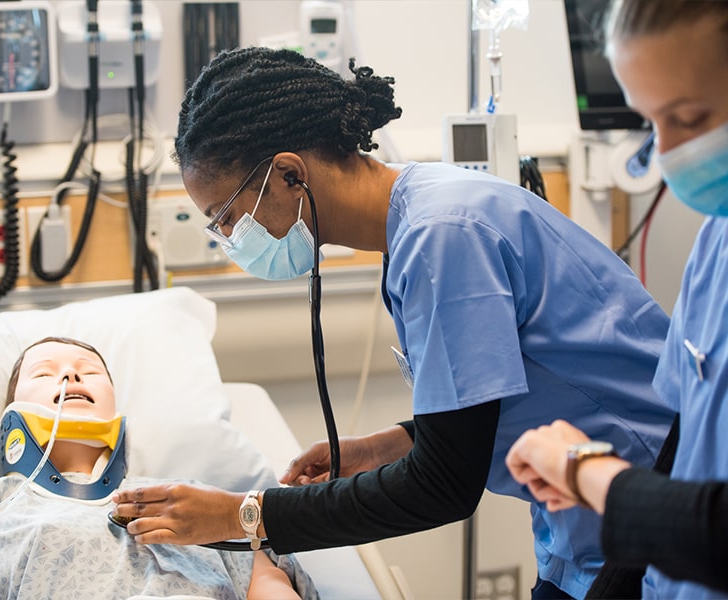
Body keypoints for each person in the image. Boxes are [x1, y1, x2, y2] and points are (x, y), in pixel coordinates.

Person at [109, 46, 677, 599]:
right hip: (581, 531)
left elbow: (443, 487)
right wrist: (387, 445)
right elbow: (485, 402)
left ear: (287, 173)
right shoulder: (420, 220)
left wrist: (242, 514)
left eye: (227, 217)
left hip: (649, 518)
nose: (230, 240)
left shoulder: (443, 237)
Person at [506, 0, 728, 597]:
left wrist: (589, 472)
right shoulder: (718, 239)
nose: (667, 154)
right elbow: (686, 438)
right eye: (651, 124)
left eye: (689, 117)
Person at [0, 337, 316, 600]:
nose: (72, 376)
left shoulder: (190, 497)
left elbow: (262, 576)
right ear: (11, 416)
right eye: (45, 373)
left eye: (89, 371)